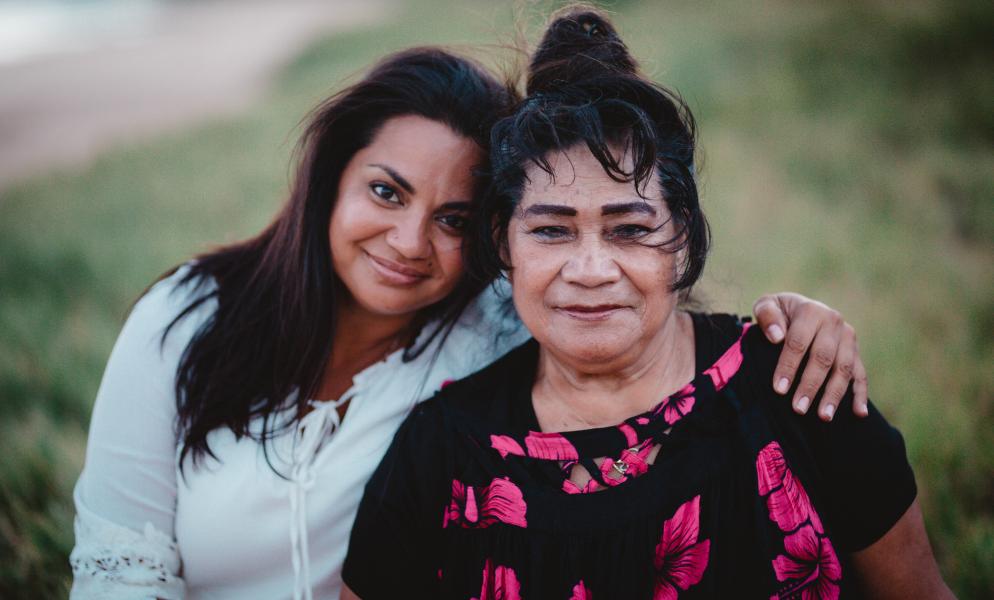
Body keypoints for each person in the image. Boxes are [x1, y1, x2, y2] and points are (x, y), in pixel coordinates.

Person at [71, 46, 868, 600]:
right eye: (386, 192)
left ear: (489, 240)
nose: (411, 243)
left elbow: (615, 288)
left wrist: (798, 320)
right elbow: (120, 567)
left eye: (453, 219)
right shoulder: (188, 317)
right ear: (329, 178)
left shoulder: (493, 328)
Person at [341, 10, 952, 600]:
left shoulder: (797, 388)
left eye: (629, 229)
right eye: (551, 231)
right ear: (504, 243)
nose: (590, 271)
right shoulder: (439, 451)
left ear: (681, 235)